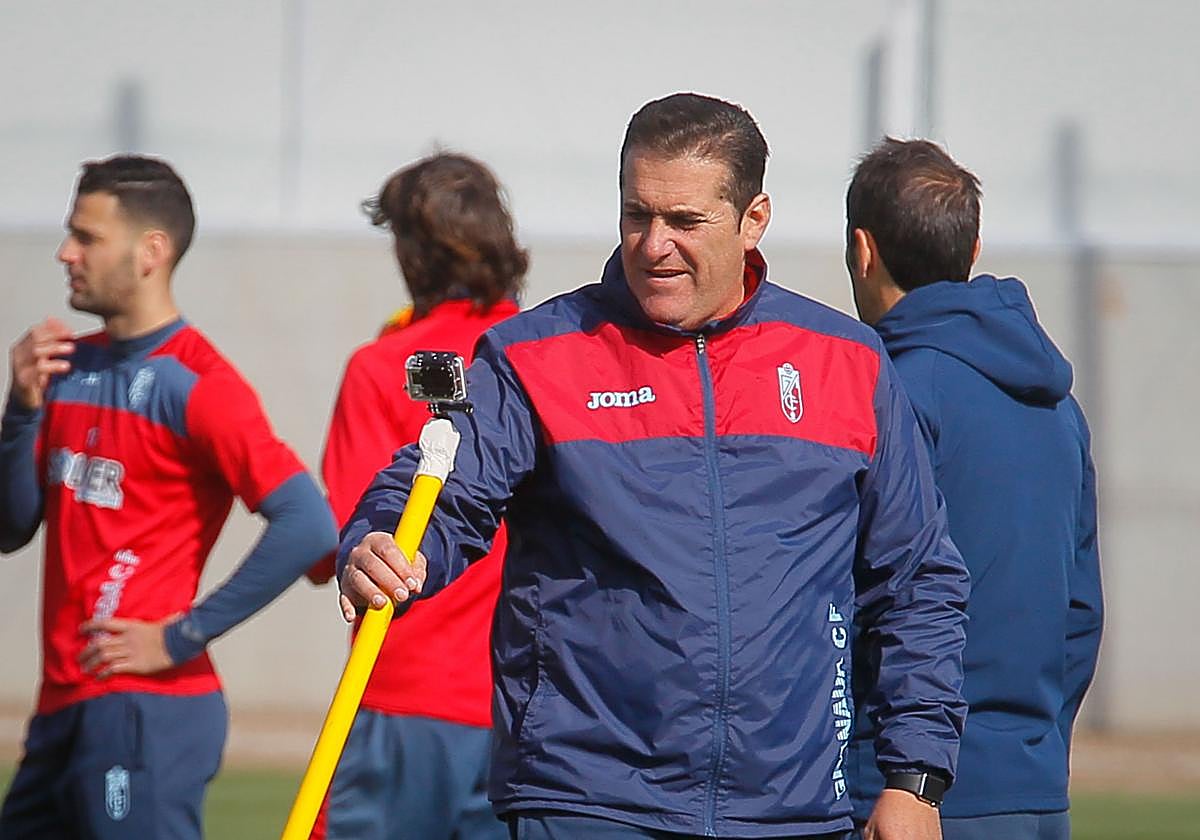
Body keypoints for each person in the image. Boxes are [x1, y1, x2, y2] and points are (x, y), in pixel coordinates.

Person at [338, 93, 970, 840]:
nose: (654, 244)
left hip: (791, 811)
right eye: (637, 215)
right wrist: (381, 539)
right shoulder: (535, 355)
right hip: (585, 802)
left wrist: (915, 781)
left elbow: (917, 580)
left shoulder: (848, 363)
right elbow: (443, 488)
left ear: (753, 219)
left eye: (684, 221)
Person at [0, 155, 337, 839]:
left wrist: (180, 637)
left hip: (145, 712)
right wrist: (22, 410)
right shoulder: (68, 368)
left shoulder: (197, 383)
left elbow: (309, 524)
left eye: (86, 237)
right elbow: (10, 528)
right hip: (63, 705)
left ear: (151, 251)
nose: (66, 252)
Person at [843, 138, 1104, 840]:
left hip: (904, 791)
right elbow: (1081, 608)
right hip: (1034, 787)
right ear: (974, 247)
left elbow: (862, 595)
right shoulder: (1058, 408)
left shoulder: (887, 392)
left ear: (862, 251)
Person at [306, 152, 524, 840]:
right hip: (520, 705)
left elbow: (334, 544)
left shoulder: (382, 366)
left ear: (410, 250)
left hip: (402, 691)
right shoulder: (536, 356)